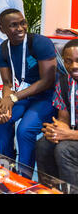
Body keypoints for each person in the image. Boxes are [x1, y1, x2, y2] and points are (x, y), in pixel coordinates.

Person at [0, 8, 57, 176]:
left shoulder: (40, 43)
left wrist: (13, 97)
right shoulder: (2, 50)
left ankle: (24, 177)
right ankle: (6, 168)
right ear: (3, 30)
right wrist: (6, 103)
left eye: (23, 23)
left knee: (25, 130)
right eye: (14, 25)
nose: (21, 28)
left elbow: (47, 81)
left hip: (48, 95)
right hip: (24, 94)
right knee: (1, 119)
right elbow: (7, 83)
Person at [36, 39, 78, 192]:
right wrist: (57, 130)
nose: (74, 66)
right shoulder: (64, 81)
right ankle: (50, 190)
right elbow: (63, 118)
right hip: (72, 133)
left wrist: (69, 135)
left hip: (74, 136)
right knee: (43, 144)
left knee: (64, 149)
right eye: (68, 61)